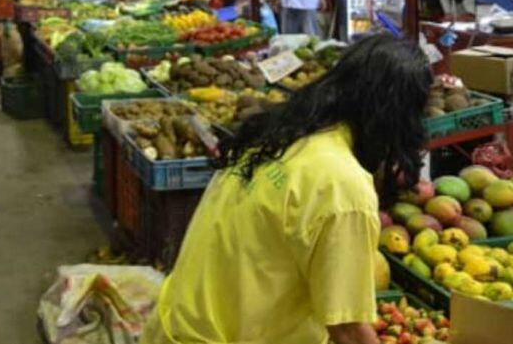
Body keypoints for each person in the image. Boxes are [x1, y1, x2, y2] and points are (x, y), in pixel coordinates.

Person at [143, 34, 431, 344]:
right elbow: (348, 329)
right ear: (399, 117)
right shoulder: (342, 185)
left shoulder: (277, 134)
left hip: (172, 326)